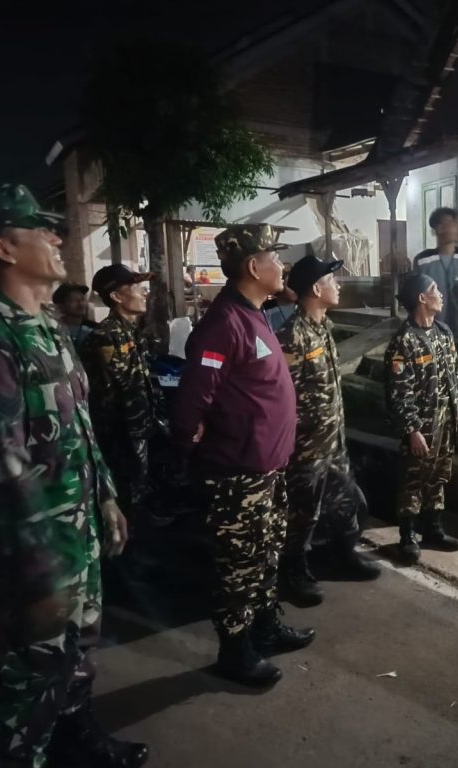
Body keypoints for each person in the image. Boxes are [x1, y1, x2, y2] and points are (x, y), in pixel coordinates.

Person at [0, 183, 147, 767]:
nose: (58, 237)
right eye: (41, 229)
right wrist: (38, 565)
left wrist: (106, 497)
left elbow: (80, 424)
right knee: (29, 669)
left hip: (76, 530)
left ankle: (74, 736)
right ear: (4, 248)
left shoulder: (50, 326)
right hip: (34, 549)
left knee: (77, 652)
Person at [172, 224, 314, 688]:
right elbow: (193, 400)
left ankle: (265, 628)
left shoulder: (254, 314)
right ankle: (235, 651)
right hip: (238, 473)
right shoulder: (224, 324)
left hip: (266, 468)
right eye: (275, 257)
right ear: (254, 266)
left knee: (266, 553)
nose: (282, 265)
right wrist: (194, 451)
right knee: (239, 564)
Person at [277, 254, 380, 607]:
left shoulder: (323, 327)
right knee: (303, 511)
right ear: (316, 289)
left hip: (332, 441)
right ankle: (293, 571)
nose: (337, 285)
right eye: (331, 281)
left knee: (348, 501)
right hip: (305, 446)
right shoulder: (293, 335)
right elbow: (283, 395)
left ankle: (343, 555)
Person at [385, 273, 458, 563]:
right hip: (422, 426)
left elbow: (455, 373)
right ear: (422, 298)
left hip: (446, 420)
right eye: (435, 290)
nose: (441, 294)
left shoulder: (443, 332)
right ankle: (408, 536)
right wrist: (411, 430)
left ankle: (433, 530)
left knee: (439, 476)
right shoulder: (404, 341)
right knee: (413, 478)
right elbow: (399, 391)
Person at [80, 264, 164, 524]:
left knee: (140, 485)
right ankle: (130, 540)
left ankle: (141, 527)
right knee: (126, 490)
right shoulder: (106, 336)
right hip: (122, 432)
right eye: (136, 288)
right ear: (116, 296)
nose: (144, 293)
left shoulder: (130, 331)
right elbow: (118, 391)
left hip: (138, 426)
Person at [413, 207, 458, 404]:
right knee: (434, 381)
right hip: (432, 334)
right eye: (448, 223)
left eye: (455, 223)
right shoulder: (423, 260)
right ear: (437, 228)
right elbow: (414, 293)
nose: (454, 228)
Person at [52, 281, 99, 348]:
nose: (81, 304)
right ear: (61, 306)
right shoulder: (54, 330)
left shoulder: (95, 329)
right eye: (74, 300)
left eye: (82, 299)